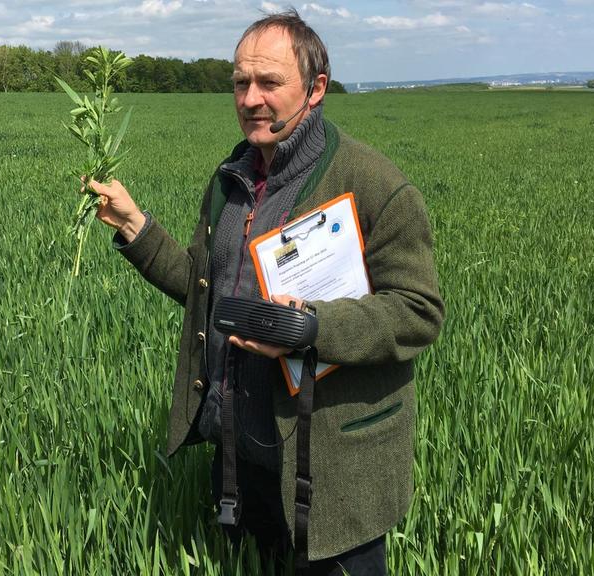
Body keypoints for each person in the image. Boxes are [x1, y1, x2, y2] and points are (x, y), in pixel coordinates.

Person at [84, 9, 444, 575]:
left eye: (270, 82)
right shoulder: (232, 180)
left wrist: (314, 328)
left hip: (330, 471)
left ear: (316, 88)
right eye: (240, 82)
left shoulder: (376, 186)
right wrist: (137, 230)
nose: (251, 98)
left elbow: (418, 312)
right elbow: (211, 293)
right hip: (241, 459)